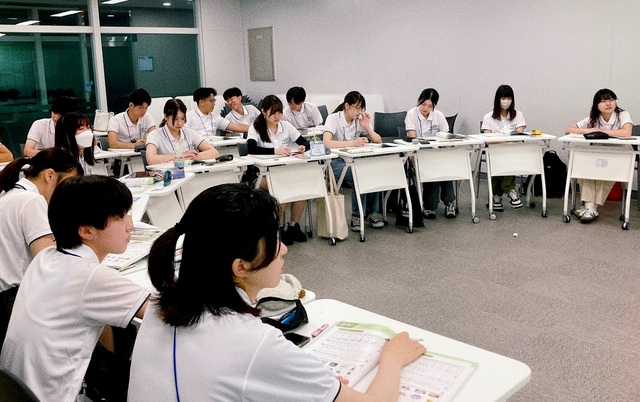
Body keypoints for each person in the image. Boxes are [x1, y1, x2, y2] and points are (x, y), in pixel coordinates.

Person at [128, 183, 425, 401]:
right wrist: (392, 358)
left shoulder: (161, 305)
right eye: (274, 240)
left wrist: (301, 384)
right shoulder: (252, 342)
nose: (283, 250)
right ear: (240, 267)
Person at [0, 175, 150, 402]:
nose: (130, 224)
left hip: (17, 391)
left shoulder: (47, 258)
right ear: (87, 231)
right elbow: (164, 311)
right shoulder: (89, 276)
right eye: (120, 217)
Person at [0, 148, 82, 352]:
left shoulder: (11, 193)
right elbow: (49, 263)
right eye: (68, 184)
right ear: (50, 175)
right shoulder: (31, 201)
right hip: (13, 301)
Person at [247, 95, 310, 245]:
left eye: (279, 113)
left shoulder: (286, 126)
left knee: (302, 189)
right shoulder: (256, 127)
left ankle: (293, 226)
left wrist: (303, 147)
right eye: (273, 113)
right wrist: (275, 151)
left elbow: (305, 142)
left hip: (285, 171)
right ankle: (279, 228)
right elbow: (251, 148)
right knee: (281, 187)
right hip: (261, 175)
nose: (277, 116)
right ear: (263, 112)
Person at [564, 88, 633, 223]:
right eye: (603, 101)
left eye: (611, 100)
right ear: (597, 105)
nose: (608, 103)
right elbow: (568, 130)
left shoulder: (622, 114)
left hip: (617, 155)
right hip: (597, 153)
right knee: (586, 169)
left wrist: (602, 131)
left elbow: (627, 132)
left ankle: (591, 208)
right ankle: (590, 208)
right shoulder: (594, 117)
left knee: (604, 173)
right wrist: (588, 130)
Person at [323, 91, 384, 231]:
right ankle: (357, 215)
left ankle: (370, 213)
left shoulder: (359, 121)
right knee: (359, 173)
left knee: (372, 171)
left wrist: (367, 126)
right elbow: (327, 143)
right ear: (346, 106)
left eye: (361, 108)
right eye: (357, 108)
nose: (359, 112)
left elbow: (378, 141)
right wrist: (353, 143)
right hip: (335, 162)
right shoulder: (333, 118)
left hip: (355, 160)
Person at [404, 88, 455, 219]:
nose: (425, 108)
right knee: (432, 167)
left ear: (434, 106)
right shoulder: (411, 114)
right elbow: (411, 138)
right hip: (419, 155)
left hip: (437, 154)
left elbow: (446, 137)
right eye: (423, 104)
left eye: (429, 106)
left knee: (445, 167)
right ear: (418, 101)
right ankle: (430, 206)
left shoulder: (439, 116)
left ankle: (449, 202)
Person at [481, 84, 526, 211]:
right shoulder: (488, 117)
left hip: (512, 152)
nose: (506, 101)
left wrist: (502, 139)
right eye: (503, 98)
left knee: (508, 158)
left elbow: (519, 133)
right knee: (499, 159)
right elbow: (487, 139)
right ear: (497, 99)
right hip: (494, 151)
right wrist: (505, 140)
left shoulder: (518, 115)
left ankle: (497, 196)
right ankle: (510, 190)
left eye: (508, 98)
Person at [146, 98, 220, 165]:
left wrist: (193, 157)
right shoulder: (154, 135)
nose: (180, 123)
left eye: (182, 118)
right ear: (165, 117)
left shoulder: (189, 133)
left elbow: (214, 152)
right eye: (175, 119)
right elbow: (151, 159)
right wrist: (181, 156)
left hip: (191, 174)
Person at [184, 87, 249, 136]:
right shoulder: (189, 116)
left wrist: (255, 128)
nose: (213, 104)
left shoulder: (215, 117)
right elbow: (184, 135)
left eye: (214, 101)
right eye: (211, 101)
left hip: (213, 149)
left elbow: (235, 126)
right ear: (201, 102)